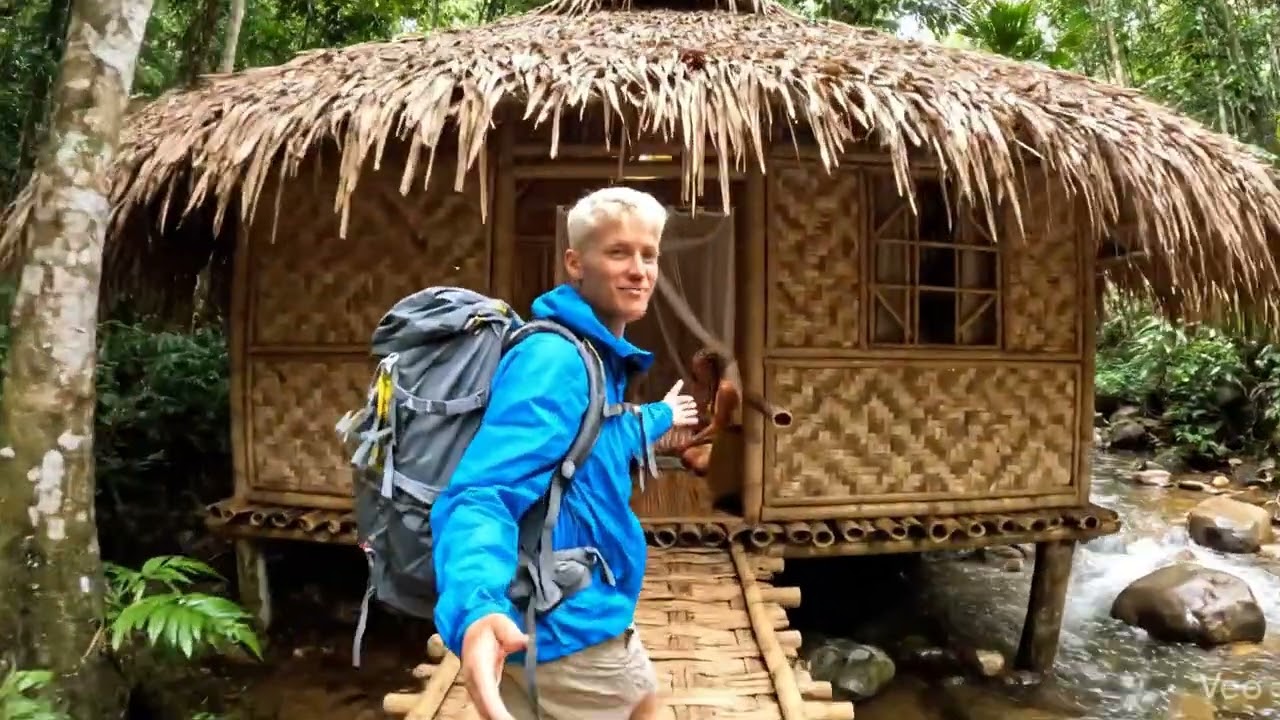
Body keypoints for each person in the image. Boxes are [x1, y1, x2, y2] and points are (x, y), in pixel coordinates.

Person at [428, 186, 700, 720]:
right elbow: (484, 493)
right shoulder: (556, 360)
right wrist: (478, 608)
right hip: (567, 626)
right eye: (618, 252)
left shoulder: (593, 357)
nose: (639, 270)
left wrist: (662, 416)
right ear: (576, 263)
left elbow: (595, 442)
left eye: (649, 255)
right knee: (645, 705)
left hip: (553, 611)